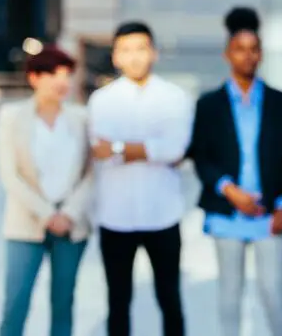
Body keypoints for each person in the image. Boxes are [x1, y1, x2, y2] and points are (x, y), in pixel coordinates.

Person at [187, 7, 282, 336]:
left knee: (272, 294)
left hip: (269, 213)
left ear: (261, 54)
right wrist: (229, 190)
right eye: (240, 49)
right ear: (227, 54)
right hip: (227, 211)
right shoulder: (209, 104)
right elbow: (201, 157)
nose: (247, 56)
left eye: (254, 49)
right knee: (229, 296)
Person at [88, 21, 194, 336]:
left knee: (169, 299)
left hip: (162, 215)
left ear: (154, 53)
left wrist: (120, 146)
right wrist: (152, 149)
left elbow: (175, 149)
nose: (134, 57)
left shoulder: (174, 97)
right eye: (126, 50)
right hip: (115, 217)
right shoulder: (101, 100)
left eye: (141, 48)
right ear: (116, 56)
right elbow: (100, 150)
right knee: (118, 302)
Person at [0, 45, 94, 336]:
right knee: (16, 304)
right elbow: (10, 175)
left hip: (71, 227)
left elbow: (91, 173)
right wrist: (47, 214)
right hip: (25, 225)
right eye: (52, 74)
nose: (61, 81)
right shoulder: (12, 116)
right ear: (34, 77)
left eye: (67, 74)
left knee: (63, 305)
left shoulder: (81, 118)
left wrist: (68, 213)